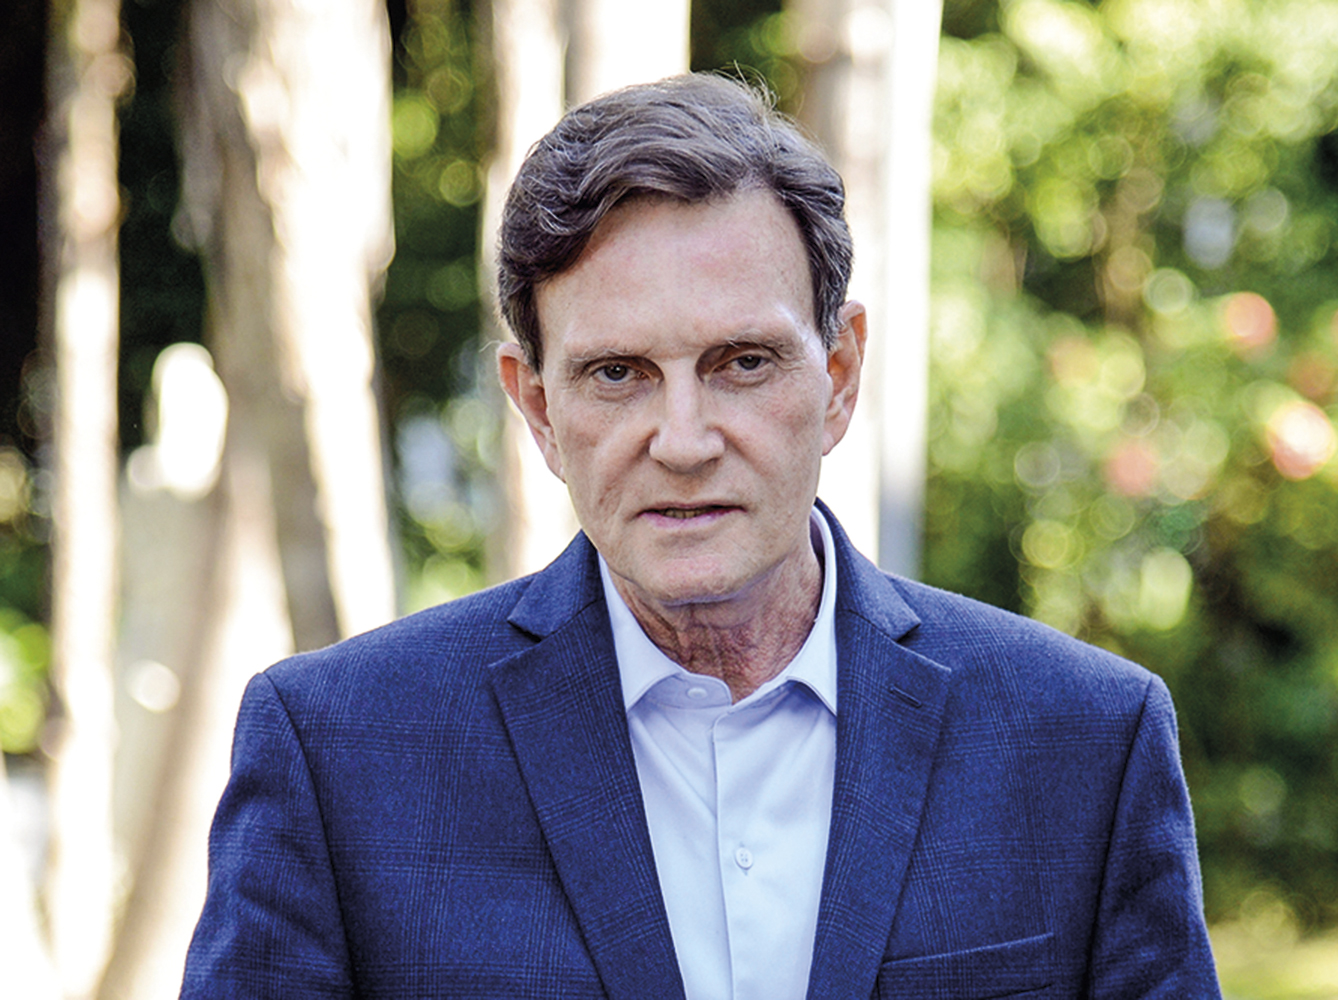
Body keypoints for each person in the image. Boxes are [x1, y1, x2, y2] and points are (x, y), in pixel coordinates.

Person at [181, 74, 1221, 1000]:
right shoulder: (339, 754)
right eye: (617, 374)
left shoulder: (1085, 742)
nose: (682, 442)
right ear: (537, 407)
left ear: (840, 375)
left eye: (742, 363)